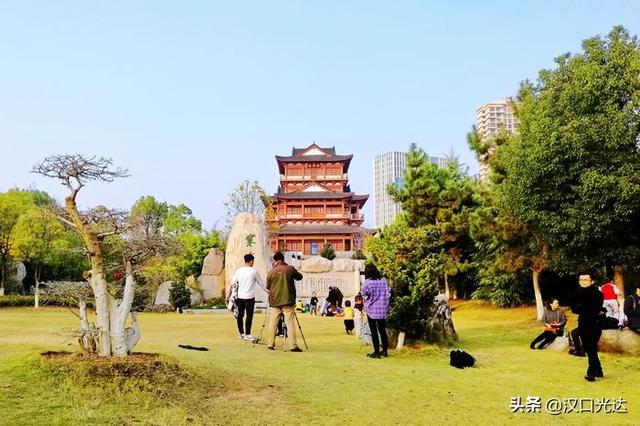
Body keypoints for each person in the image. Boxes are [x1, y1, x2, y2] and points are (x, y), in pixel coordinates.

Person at [266, 252, 304, 352]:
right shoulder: (290, 269)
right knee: (290, 323)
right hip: (288, 301)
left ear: (274, 260)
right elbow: (300, 277)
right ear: (283, 259)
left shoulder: (271, 272)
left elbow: (267, 287)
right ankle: (293, 346)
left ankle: (270, 344)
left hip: (275, 301)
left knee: (273, 323)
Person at [571, 274, 604, 382]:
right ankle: (599, 370)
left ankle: (591, 373)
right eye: (581, 279)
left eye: (586, 279)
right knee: (588, 348)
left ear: (592, 281)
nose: (583, 281)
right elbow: (574, 309)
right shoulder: (576, 293)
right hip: (583, 323)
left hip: (595, 323)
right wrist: (584, 307)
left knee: (591, 347)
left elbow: (596, 309)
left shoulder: (598, 294)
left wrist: (582, 306)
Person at [230, 253, 267, 341]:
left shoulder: (239, 271)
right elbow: (261, 283)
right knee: (249, 316)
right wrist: (268, 291)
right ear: (251, 261)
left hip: (240, 297)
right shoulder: (254, 271)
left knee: (240, 315)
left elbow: (232, 283)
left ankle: (241, 333)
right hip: (250, 297)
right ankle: (248, 334)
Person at [361, 263, 391, 358]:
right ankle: (385, 351)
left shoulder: (367, 283)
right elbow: (388, 293)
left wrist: (367, 299)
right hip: (382, 310)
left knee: (374, 331)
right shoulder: (383, 281)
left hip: (372, 310)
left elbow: (364, 294)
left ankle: (376, 352)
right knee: (382, 330)